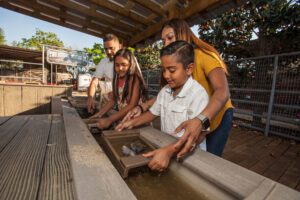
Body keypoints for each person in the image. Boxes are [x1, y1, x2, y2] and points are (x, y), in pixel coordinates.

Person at [121, 18, 233, 158]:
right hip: (197, 114)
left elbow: (223, 91)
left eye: (170, 37)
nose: (166, 43)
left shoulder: (204, 56)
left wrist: (200, 120)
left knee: (209, 157)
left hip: (217, 113)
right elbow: (165, 97)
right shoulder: (173, 71)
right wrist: (142, 107)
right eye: (163, 41)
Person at [116, 41, 209, 171]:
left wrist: (169, 151)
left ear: (189, 69)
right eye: (164, 70)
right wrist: (131, 123)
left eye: (171, 70)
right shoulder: (165, 91)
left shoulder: (199, 95)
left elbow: (199, 136)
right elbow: (151, 114)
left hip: (190, 157)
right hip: (167, 148)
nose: (166, 75)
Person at [90, 48, 148, 129]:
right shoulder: (116, 79)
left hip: (138, 121)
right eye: (117, 65)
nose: (120, 68)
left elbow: (132, 105)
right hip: (125, 118)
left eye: (123, 65)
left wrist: (110, 120)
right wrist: (100, 113)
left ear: (131, 64)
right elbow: (114, 99)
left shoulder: (134, 79)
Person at [87, 33, 122, 113]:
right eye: (106, 49)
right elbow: (95, 81)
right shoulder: (104, 61)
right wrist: (90, 97)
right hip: (110, 98)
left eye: (111, 48)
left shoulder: (130, 59)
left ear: (119, 46)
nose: (108, 52)